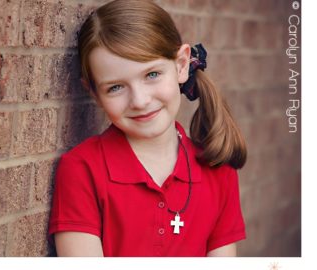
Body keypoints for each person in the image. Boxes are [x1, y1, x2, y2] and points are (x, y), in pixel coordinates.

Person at [48, 0, 247, 257]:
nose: (140, 101)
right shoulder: (82, 169)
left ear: (181, 65)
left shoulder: (219, 170)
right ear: (94, 93)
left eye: (152, 74)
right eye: (115, 87)